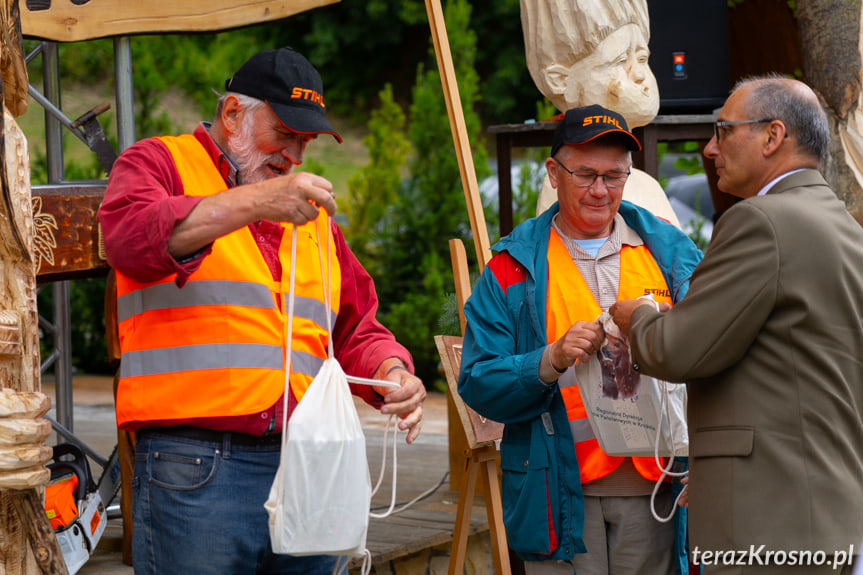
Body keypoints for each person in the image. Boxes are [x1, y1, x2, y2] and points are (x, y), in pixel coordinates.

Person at [97, 47, 426, 575]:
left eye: (304, 141)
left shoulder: (311, 214)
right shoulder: (158, 162)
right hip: (196, 467)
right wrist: (257, 202)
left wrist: (392, 371)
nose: (294, 155)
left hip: (308, 467)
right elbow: (129, 242)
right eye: (284, 134)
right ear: (232, 115)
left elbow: (355, 327)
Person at [611, 76, 863, 574]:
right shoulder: (845, 226)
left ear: (772, 136)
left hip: (772, 524)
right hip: (828, 511)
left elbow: (676, 351)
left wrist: (637, 314)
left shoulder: (760, 222)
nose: (709, 148)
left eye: (723, 131)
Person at [457, 104, 701, 575]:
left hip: (655, 492)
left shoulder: (672, 252)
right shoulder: (511, 267)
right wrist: (547, 360)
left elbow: (713, 354)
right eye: (585, 174)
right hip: (558, 493)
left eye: (614, 176)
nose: (599, 190)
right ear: (553, 172)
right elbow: (477, 379)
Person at [521, 0, 680, 226]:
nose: (640, 75)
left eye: (642, 58)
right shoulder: (563, 188)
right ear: (561, 80)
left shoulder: (647, 186)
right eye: (620, 60)